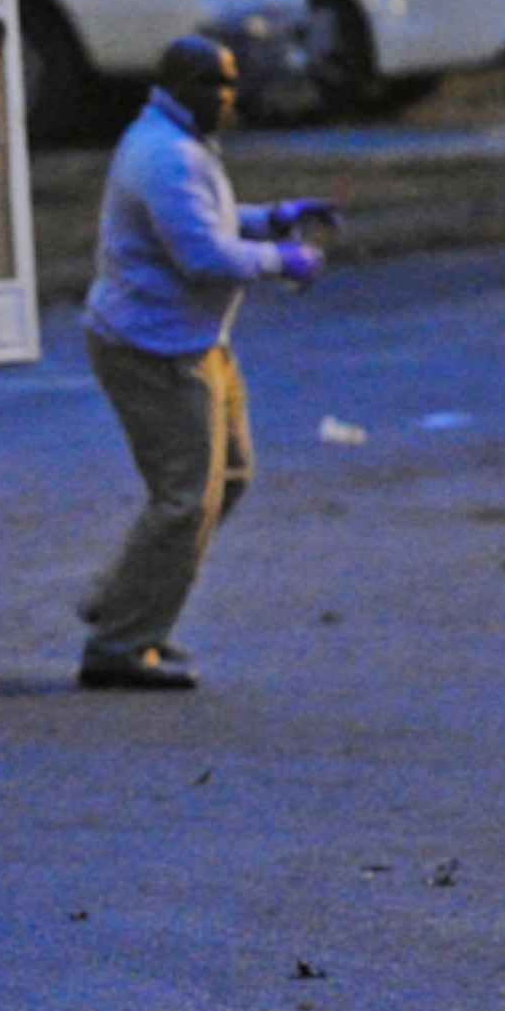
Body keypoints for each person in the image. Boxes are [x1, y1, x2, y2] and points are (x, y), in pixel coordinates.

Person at [73, 36, 335, 693]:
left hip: (193, 341)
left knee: (233, 474)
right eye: (222, 85)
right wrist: (283, 260)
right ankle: (118, 644)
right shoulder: (167, 155)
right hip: (156, 349)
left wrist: (270, 218)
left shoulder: (175, 138)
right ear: (188, 86)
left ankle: (127, 600)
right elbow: (204, 256)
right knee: (185, 498)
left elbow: (209, 222)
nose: (232, 98)